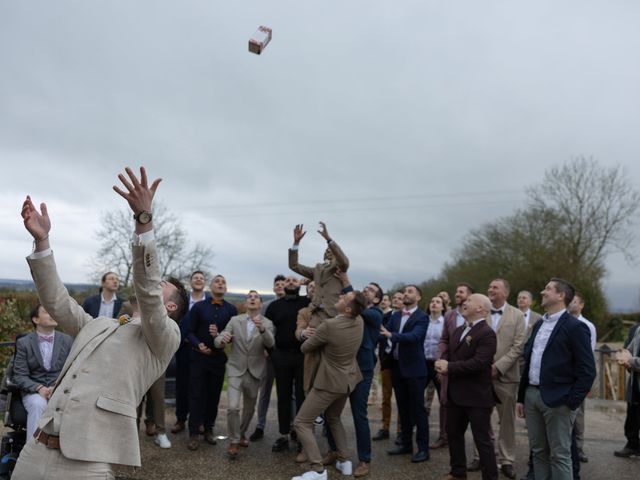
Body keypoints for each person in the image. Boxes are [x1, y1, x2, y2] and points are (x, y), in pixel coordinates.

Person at [13, 166, 187, 479]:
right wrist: (43, 243)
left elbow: (147, 291)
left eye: (161, 285)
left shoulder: (165, 337)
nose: (152, 284)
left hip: (88, 461)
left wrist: (144, 221)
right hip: (35, 450)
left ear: (170, 305)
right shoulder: (100, 325)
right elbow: (57, 302)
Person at [516, 278, 596, 480]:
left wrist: (571, 403)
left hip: (559, 401)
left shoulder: (575, 327)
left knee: (560, 455)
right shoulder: (539, 323)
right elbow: (529, 361)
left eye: (548, 289)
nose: (543, 292)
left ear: (561, 296)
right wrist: (521, 397)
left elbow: (588, 370)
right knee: (538, 452)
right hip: (532, 395)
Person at [292, 291, 366, 480]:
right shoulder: (359, 321)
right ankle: (345, 460)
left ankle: (318, 470)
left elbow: (305, 347)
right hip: (348, 380)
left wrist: (310, 335)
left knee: (301, 422)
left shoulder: (330, 325)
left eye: (343, 298)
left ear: (348, 308)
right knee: (333, 417)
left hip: (329, 382)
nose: (339, 298)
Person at [324, 274, 384, 477]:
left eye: (371, 290)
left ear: (376, 299)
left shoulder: (375, 313)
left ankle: (364, 460)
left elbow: (358, 305)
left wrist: (346, 281)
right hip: (341, 369)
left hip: (362, 372)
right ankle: (334, 450)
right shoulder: (350, 313)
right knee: (331, 412)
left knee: (360, 416)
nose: (366, 290)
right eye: (365, 288)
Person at [436, 293, 498, 480]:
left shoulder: (487, 333)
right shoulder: (458, 330)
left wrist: (450, 367)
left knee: (482, 441)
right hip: (455, 394)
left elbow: (479, 363)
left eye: (470, 300)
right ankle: (458, 473)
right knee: (453, 434)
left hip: (477, 397)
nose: (464, 302)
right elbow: (450, 352)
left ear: (480, 308)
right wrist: (443, 361)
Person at [468, 279, 525, 479]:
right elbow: (471, 339)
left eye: (495, 287)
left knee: (507, 420)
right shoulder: (480, 312)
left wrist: (498, 367)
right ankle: (479, 456)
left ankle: (506, 459)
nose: (490, 289)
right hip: (480, 375)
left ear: (506, 293)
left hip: (506, 377)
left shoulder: (517, 315)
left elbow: (518, 347)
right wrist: (481, 366)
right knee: (480, 418)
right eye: (489, 286)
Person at [215, 291, 275, 459]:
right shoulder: (235, 320)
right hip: (235, 369)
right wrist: (221, 339)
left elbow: (271, 343)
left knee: (249, 409)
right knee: (233, 407)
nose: (253, 299)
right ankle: (234, 441)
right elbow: (220, 339)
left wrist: (262, 329)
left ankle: (241, 433)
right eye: (250, 297)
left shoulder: (268, 323)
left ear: (261, 304)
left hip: (255, 371)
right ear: (246, 303)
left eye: (256, 297)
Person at [185, 274, 238, 450]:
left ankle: (208, 429)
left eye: (223, 282)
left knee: (213, 396)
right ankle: (193, 433)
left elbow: (232, 336)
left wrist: (223, 338)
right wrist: (198, 344)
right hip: (198, 358)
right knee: (195, 395)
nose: (220, 284)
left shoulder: (231, 310)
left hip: (217, 359)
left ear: (226, 288)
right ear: (211, 286)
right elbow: (189, 331)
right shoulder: (199, 307)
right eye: (217, 281)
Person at [380, 285, 430, 463]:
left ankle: (423, 449)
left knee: (418, 410)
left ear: (418, 297)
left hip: (415, 370)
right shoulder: (396, 315)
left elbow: (414, 337)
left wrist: (391, 335)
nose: (406, 294)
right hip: (397, 368)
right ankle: (406, 444)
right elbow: (383, 333)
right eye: (405, 291)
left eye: (410, 292)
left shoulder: (422, 317)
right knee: (403, 408)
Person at [12, 305, 73, 439]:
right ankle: (32, 451)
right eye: (46, 312)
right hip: (33, 392)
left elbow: (71, 371)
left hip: (59, 390)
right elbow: (19, 375)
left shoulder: (67, 340)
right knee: (38, 403)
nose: (52, 313)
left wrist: (56, 387)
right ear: (36, 319)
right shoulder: (24, 343)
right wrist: (39, 388)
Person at [267, 275, 310, 453]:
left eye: (294, 280)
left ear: (300, 284)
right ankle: (284, 434)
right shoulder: (274, 306)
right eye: (288, 281)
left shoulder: (307, 302)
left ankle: (300, 436)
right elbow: (267, 330)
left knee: (301, 396)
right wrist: (272, 353)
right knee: (283, 396)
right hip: (281, 356)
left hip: (303, 355)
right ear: (283, 286)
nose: (291, 282)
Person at [433, 282, 474, 450]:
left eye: (461, 292)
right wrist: (440, 360)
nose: (457, 294)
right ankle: (444, 436)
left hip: (469, 367)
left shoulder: (477, 314)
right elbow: (444, 339)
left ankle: (481, 449)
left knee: (473, 408)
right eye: (456, 291)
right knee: (445, 402)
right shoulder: (449, 315)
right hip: (448, 366)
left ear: (469, 296)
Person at [172, 271, 211, 434]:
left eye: (201, 278)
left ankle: (199, 420)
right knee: (182, 385)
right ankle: (181, 419)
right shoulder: (183, 301)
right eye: (196, 278)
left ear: (205, 283)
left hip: (202, 350)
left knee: (201, 387)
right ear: (191, 282)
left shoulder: (209, 301)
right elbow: (176, 319)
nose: (198, 280)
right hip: (184, 348)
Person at [249, 274, 286, 441]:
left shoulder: (292, 305)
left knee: (287, 393)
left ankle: (290, 427)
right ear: (273, 288)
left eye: (282, 283)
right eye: (276, 284)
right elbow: (260, 327)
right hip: (268, 355)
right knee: (264, 391)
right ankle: (260, 426)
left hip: (286, 356)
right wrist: (264, 348)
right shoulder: (267, 306)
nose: (279, 286)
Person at [288, 222, 349, 322]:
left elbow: (344, 261)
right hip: (316, 313)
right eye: (326, 251)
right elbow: (294, 266)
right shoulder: (317, 269)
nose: (328, 251)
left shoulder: (340, 266)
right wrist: (296, 243)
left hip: (334, 314)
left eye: (331, 250)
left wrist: (328, 239)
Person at [568, 292, 597, 463]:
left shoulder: (588, 326)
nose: (571, 304)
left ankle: (578, 449)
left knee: (578, 415)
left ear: (581, 305)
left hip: (578, 376)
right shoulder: (561, 322)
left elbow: (588, 353)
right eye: (570, 301)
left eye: (575, 302)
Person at [373, 291, 404, 442]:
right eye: (395, 298)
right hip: (386, 360)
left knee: (401, 398)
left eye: (400, 298)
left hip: (401, 362)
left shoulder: (408, 318)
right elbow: (379, 336)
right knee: (386, 397)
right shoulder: (386, 317)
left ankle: (400, 430)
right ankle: (385, 427)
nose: (397, 300)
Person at [614, 323, 640, 458]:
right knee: (632, 416)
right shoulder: (638, 330)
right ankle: (632, 445)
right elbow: (629, 350)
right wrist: (622, 355)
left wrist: (630, 360)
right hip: (636, 382)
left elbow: (631, 358)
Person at [423, 296, 445, 448]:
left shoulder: (446, 323)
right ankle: (416, 429)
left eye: (438, 302)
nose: (434, 304)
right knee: (416, 397)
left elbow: (447, 346)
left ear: (443, 307)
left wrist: (442, 367)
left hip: (438, 365)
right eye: (432, 301)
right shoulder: (423, 321)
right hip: (423, 363)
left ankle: (443, 435)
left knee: (443, 401)